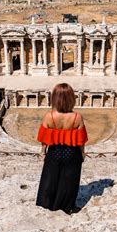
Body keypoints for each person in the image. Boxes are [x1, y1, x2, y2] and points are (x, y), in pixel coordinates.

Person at [36, 83, 88, 214]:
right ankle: (67, 206)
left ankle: (48, 205)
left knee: (51, 180)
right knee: (69, 182)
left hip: (55, 153)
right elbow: (81, 139)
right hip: (72, 153)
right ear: (71, 98)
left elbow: (44, 139)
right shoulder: (77, 117)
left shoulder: (49, 116)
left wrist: (43, 153)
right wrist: (82, 153)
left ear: (55, 98)